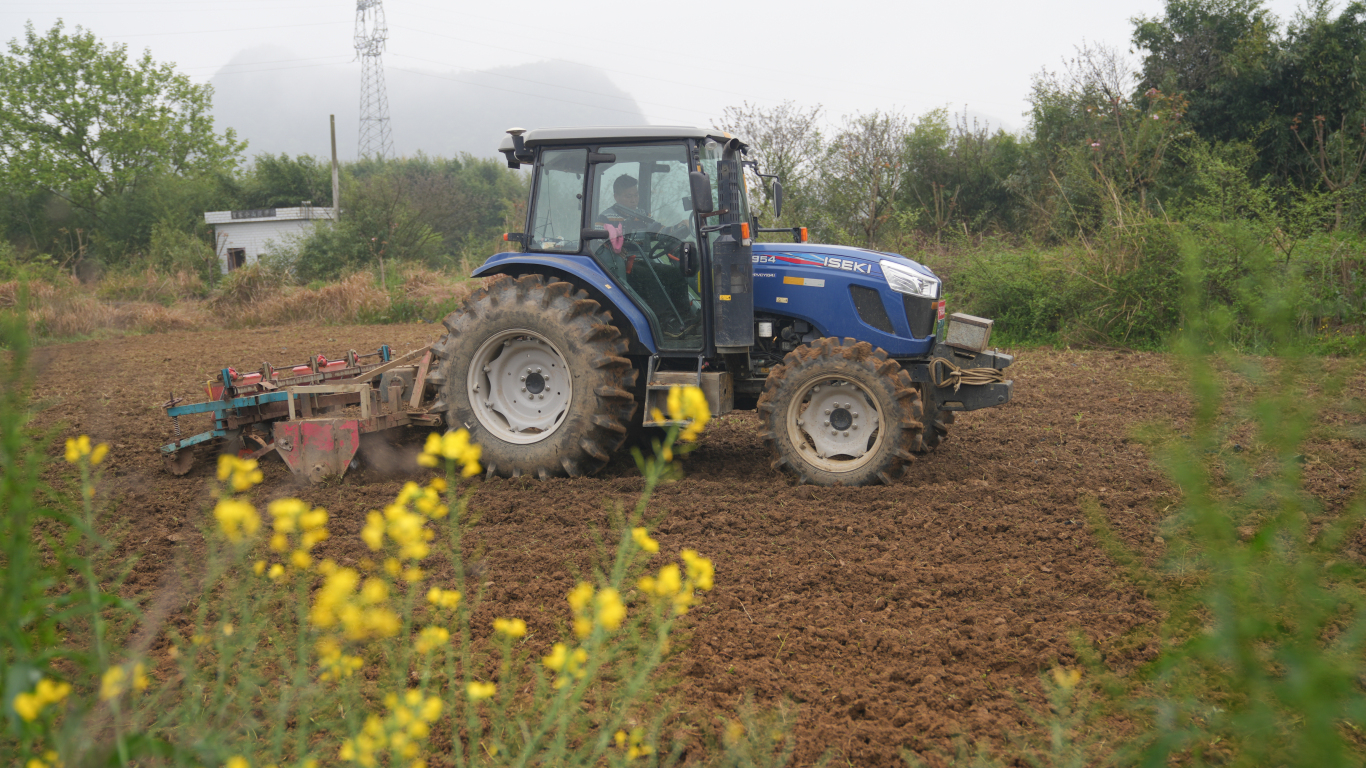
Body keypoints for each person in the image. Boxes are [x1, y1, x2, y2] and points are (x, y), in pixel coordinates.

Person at [597, 175, 690, 239]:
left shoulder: (644, 216)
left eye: (636, 195)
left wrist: (677, 227)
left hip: (642, 261)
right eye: (629, 196)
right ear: (616, 197)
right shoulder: (604, 218)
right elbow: (600, 247)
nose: (634, 200)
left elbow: (660, 232)